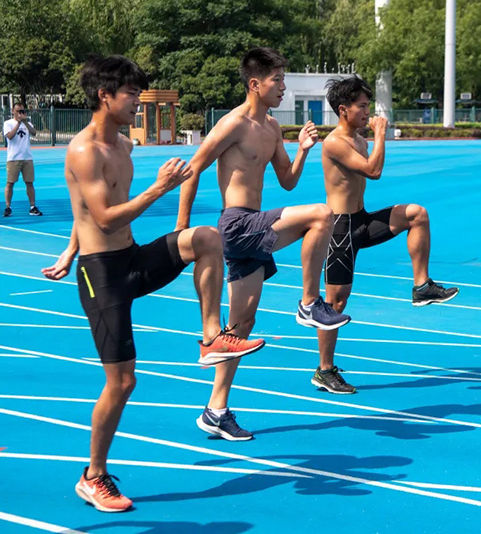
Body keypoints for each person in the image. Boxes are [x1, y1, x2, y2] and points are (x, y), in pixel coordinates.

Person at [41, 55, 264, 513]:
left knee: (206, 238)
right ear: (104, 96)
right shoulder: (85, 151)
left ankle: (211, 336)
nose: (137, 104)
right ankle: (94, 476)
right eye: (130, 95)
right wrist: (159, 189)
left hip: (131, 258)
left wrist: (68, 247)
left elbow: (85, 209)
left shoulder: (122, 145)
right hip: (101, 275)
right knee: (122, 382)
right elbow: (102, 216)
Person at [177, 47, 350, 442]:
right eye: (277, 80)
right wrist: (182, 230)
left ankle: (215, 410)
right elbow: (193, 169)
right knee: (322, 215)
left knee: (239, 329)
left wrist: (302, 150)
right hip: (237, 223)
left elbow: (287, 181)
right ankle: (310, 303)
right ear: (255, 84)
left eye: (284, 80)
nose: (283, 87)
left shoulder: (272, 128)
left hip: (252, 229)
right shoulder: (233, 124)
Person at [318, 76, 458, 394]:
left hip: (362, 220)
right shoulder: (334, 142)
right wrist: (380, 134)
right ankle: (325, 370)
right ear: (343, 109)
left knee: (416, 214)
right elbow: (373, 171)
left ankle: (422, 286)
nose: (368, 112)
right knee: (335, 304)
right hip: (340, 230)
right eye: (362, 106)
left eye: (368, 106)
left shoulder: (358, 138)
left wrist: (374, 138)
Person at [3, 102, 42, 217]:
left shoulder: (27, 123)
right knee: (10, 183)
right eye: (18, 111)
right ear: (13, 111)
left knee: (29, 183)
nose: (20, 113)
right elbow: (10, 136)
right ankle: (8, 207)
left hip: (27, 157)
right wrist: (18, 123)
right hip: (13, 158)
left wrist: (24, 122)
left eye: (22, 111)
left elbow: (34, 133)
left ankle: (32, 207)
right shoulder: (8, 123)